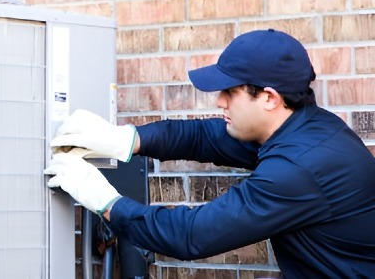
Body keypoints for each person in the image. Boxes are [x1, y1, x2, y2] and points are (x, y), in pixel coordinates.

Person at [45, 29, 375, 277]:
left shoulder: (300, 167)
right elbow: (203, 136)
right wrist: (126, 139)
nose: (220, 101)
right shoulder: (304, 126)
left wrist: (106, 202)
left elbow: (192, 235)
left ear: (269, 98)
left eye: (230, 92)